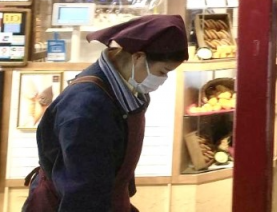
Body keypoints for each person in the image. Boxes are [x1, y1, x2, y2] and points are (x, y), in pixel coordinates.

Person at [24, 15, 189, 211]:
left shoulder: (126, 87)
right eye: (162, 72)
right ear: (138, 57)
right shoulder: (87, 109)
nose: (163, 79)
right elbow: (83, 194)